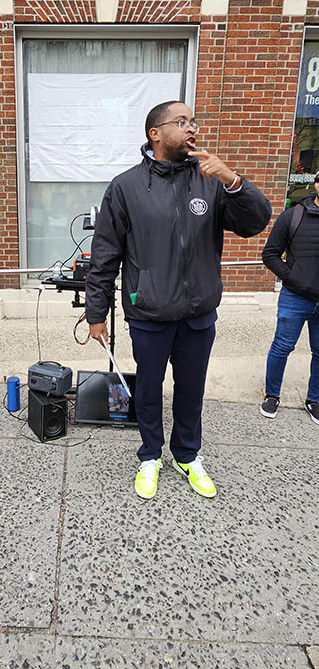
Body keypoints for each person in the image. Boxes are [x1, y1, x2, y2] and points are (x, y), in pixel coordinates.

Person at [85, 101, 271, 501]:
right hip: (149, 313)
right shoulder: (126, 187)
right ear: (155, 133)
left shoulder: (210, 181)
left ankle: (187, 455)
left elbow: (255, 222)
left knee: (191, 390)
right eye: (182, 121)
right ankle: (150, 455)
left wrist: (232, 180)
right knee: (148, 390)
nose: (192, 129)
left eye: (194, 122)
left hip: (198, 314)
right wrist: (96, 313)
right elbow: (105, 255)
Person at [260, 171, 319, 424]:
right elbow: (270, 254)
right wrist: (294, 278)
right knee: (282, 346)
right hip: (295, 297)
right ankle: (272, 395)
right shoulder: (293, 216)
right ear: (316, 184)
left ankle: (314, 399)